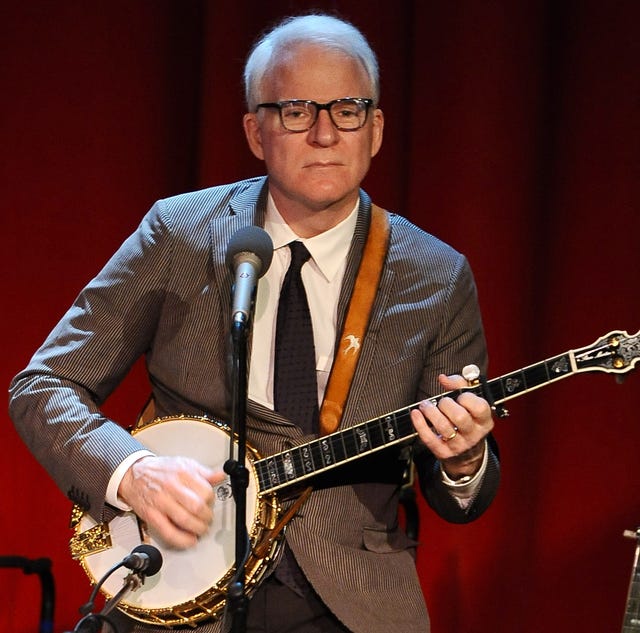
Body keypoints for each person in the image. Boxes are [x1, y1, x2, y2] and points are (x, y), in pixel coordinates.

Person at [9, 13, 500, 633]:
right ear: (254, 130)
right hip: (175, 582)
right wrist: (132, 473)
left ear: (375, 129)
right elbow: (43, 385)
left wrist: (463, 461)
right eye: (296, 110)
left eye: (347, 110)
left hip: (348, 601)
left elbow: (458, 494)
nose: (324, 134)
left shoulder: (434, 274)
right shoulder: (179, 234)